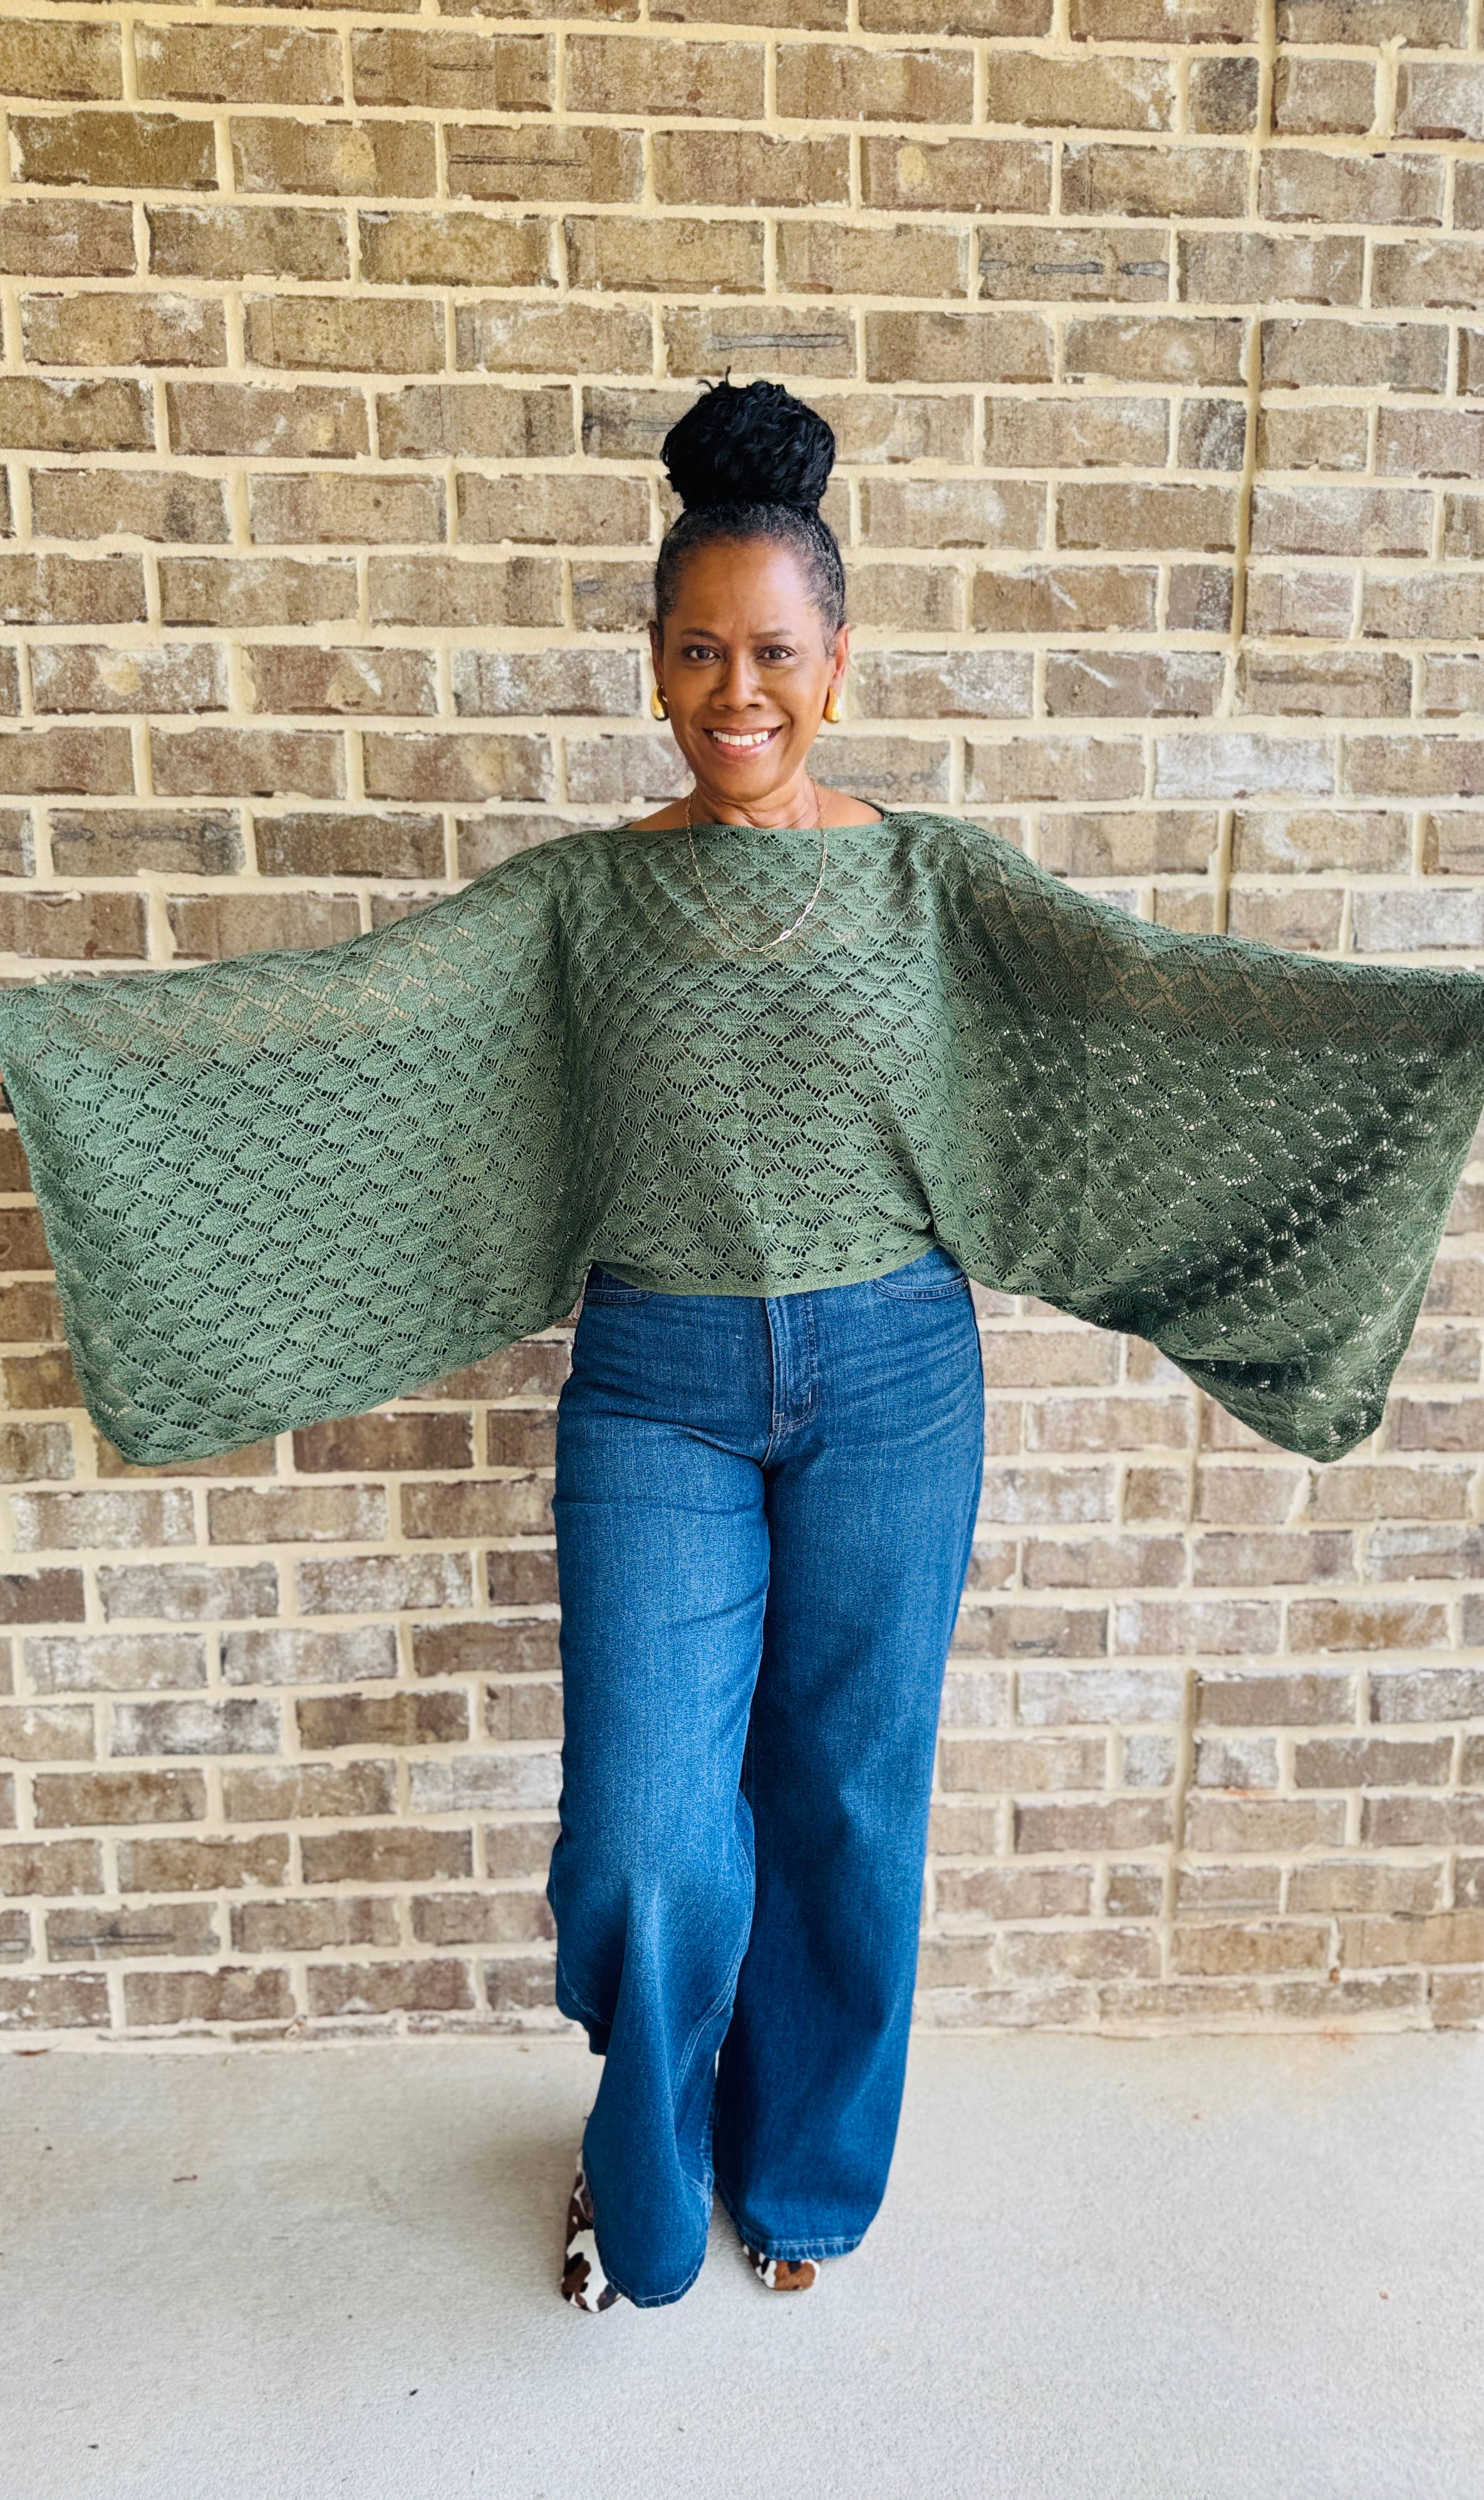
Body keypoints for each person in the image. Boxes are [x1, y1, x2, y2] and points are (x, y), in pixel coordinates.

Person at [1, 377, 1482, 2316]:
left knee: (847, 1803)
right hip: (657, 1400)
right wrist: (51, 1049)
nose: (737, 692)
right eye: (698, 652)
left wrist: (1432, 1031)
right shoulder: (576, 908)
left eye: (774, 652)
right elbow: (335, 1026)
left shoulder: (934, 891)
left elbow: (1158, 1004)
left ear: (836, 664)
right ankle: (643, 2168)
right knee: (645, 1838)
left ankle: (803, 2182)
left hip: (895, 1388)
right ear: (652, 665)